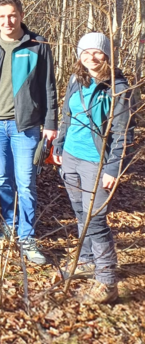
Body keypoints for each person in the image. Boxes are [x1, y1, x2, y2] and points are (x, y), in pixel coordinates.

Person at [0, 0, 58, 265]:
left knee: (26, 182)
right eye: (2, 16)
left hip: (25, 126)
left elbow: (49, 87)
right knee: (2, 180)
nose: (8, 21)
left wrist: (51, 123)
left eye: (13, 15)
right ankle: (10, 224)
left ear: (21, 15)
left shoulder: (37, 45)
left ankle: (27, 236)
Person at [53, 33, 133, 304]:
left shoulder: (117, 87)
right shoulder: (77, 80)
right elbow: (66, 116)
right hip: (72, 157)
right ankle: (86, 261)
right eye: (85, 52)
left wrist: (113, 168)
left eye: (97, 52)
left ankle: (107, 281)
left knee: (95, 219)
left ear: (107, 55)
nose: (91, 57)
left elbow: (123, 133)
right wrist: (59, 147)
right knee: (79, 213)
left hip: (96, 163)